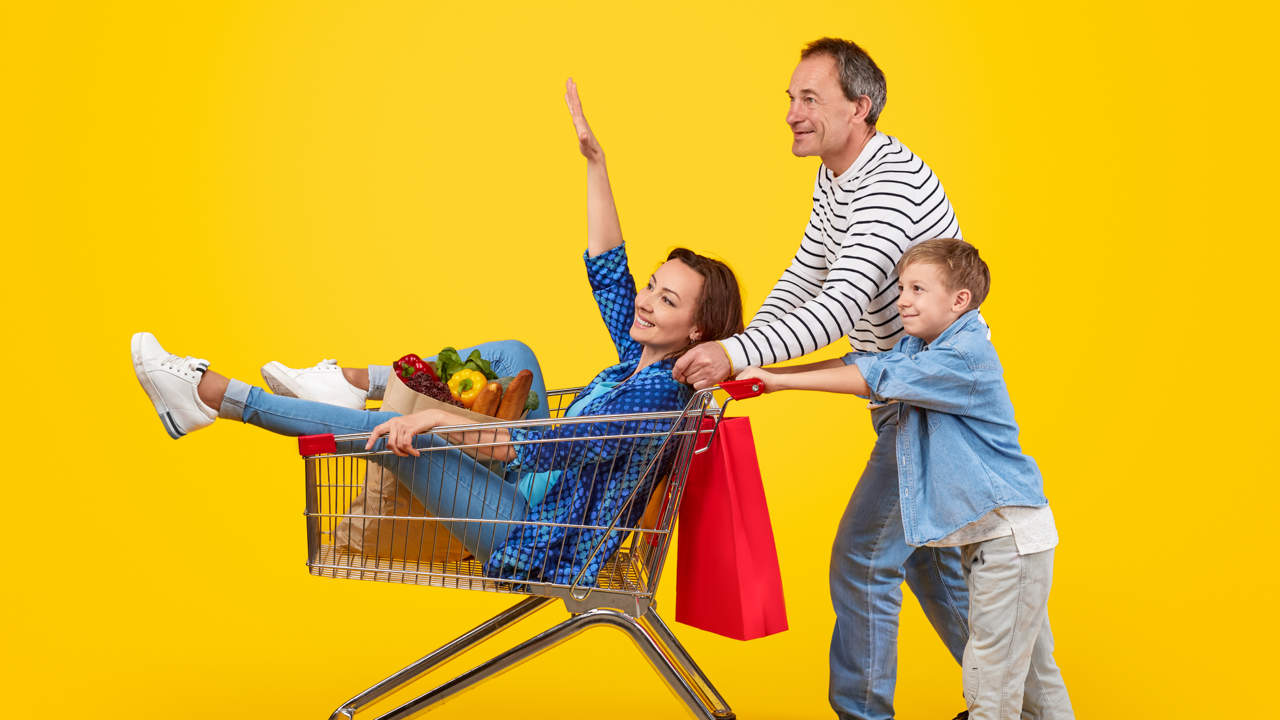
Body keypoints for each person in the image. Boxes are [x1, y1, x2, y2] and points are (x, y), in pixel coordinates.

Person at [130, 78, 744, 584]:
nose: (645, 302)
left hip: (536, 539)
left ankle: (214, 397)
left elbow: (544, 448)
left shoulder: (660, 392)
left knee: (399, 433)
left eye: (667, 300)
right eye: (652, 286)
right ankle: (350, 381)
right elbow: (610, 274)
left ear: (697, 332)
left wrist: (434, 419)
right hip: (536, 489)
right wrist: (596, 163)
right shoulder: (642, 359)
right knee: (514, 354)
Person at [671, 37, 969, 719]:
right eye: (790, 98)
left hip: (931, 406)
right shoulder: (839, 176)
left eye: (810, 99)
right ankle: (1018, 703)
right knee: (924, 560)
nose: (792, 113)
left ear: (859, 107)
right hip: (905, 400)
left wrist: (739, 355)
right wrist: (740, 349)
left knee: (863, 557)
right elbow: (806, 278)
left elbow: (839, 307)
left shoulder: (888, 188)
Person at [738, 238, 1072, 720]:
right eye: (900, 287)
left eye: (917, 288)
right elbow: (861, 363)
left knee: (991, 684)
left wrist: (783, 380)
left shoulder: (963, 358)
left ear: (959, 301)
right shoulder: (922, 345)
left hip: (1010, 539)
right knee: (1036, 684)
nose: (902, 300)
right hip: (1000, 537)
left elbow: (876, 379)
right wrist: (770, 373)